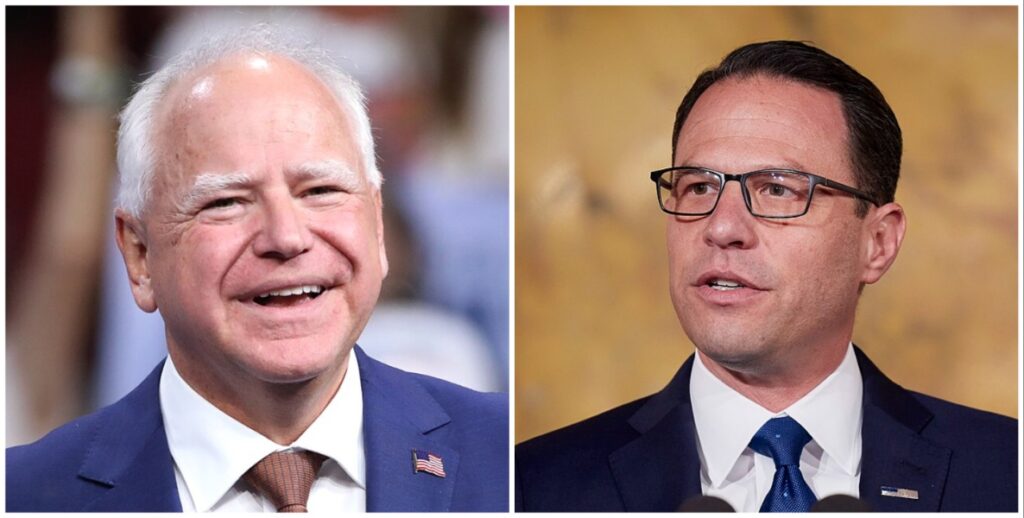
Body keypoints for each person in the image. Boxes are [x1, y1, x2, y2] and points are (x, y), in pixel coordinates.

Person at [7, 25, 508, 512]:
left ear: (377, 227)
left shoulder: (514, 459)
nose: (286, 238)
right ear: (139, 257)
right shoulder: (24, 498)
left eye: (320, 191)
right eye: (227, 202)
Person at [515, 41, 1017, 512]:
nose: (723, 227)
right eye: (696, 187)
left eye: (777, 190)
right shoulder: (534, 487)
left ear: (878, 243)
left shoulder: (1004, 473)